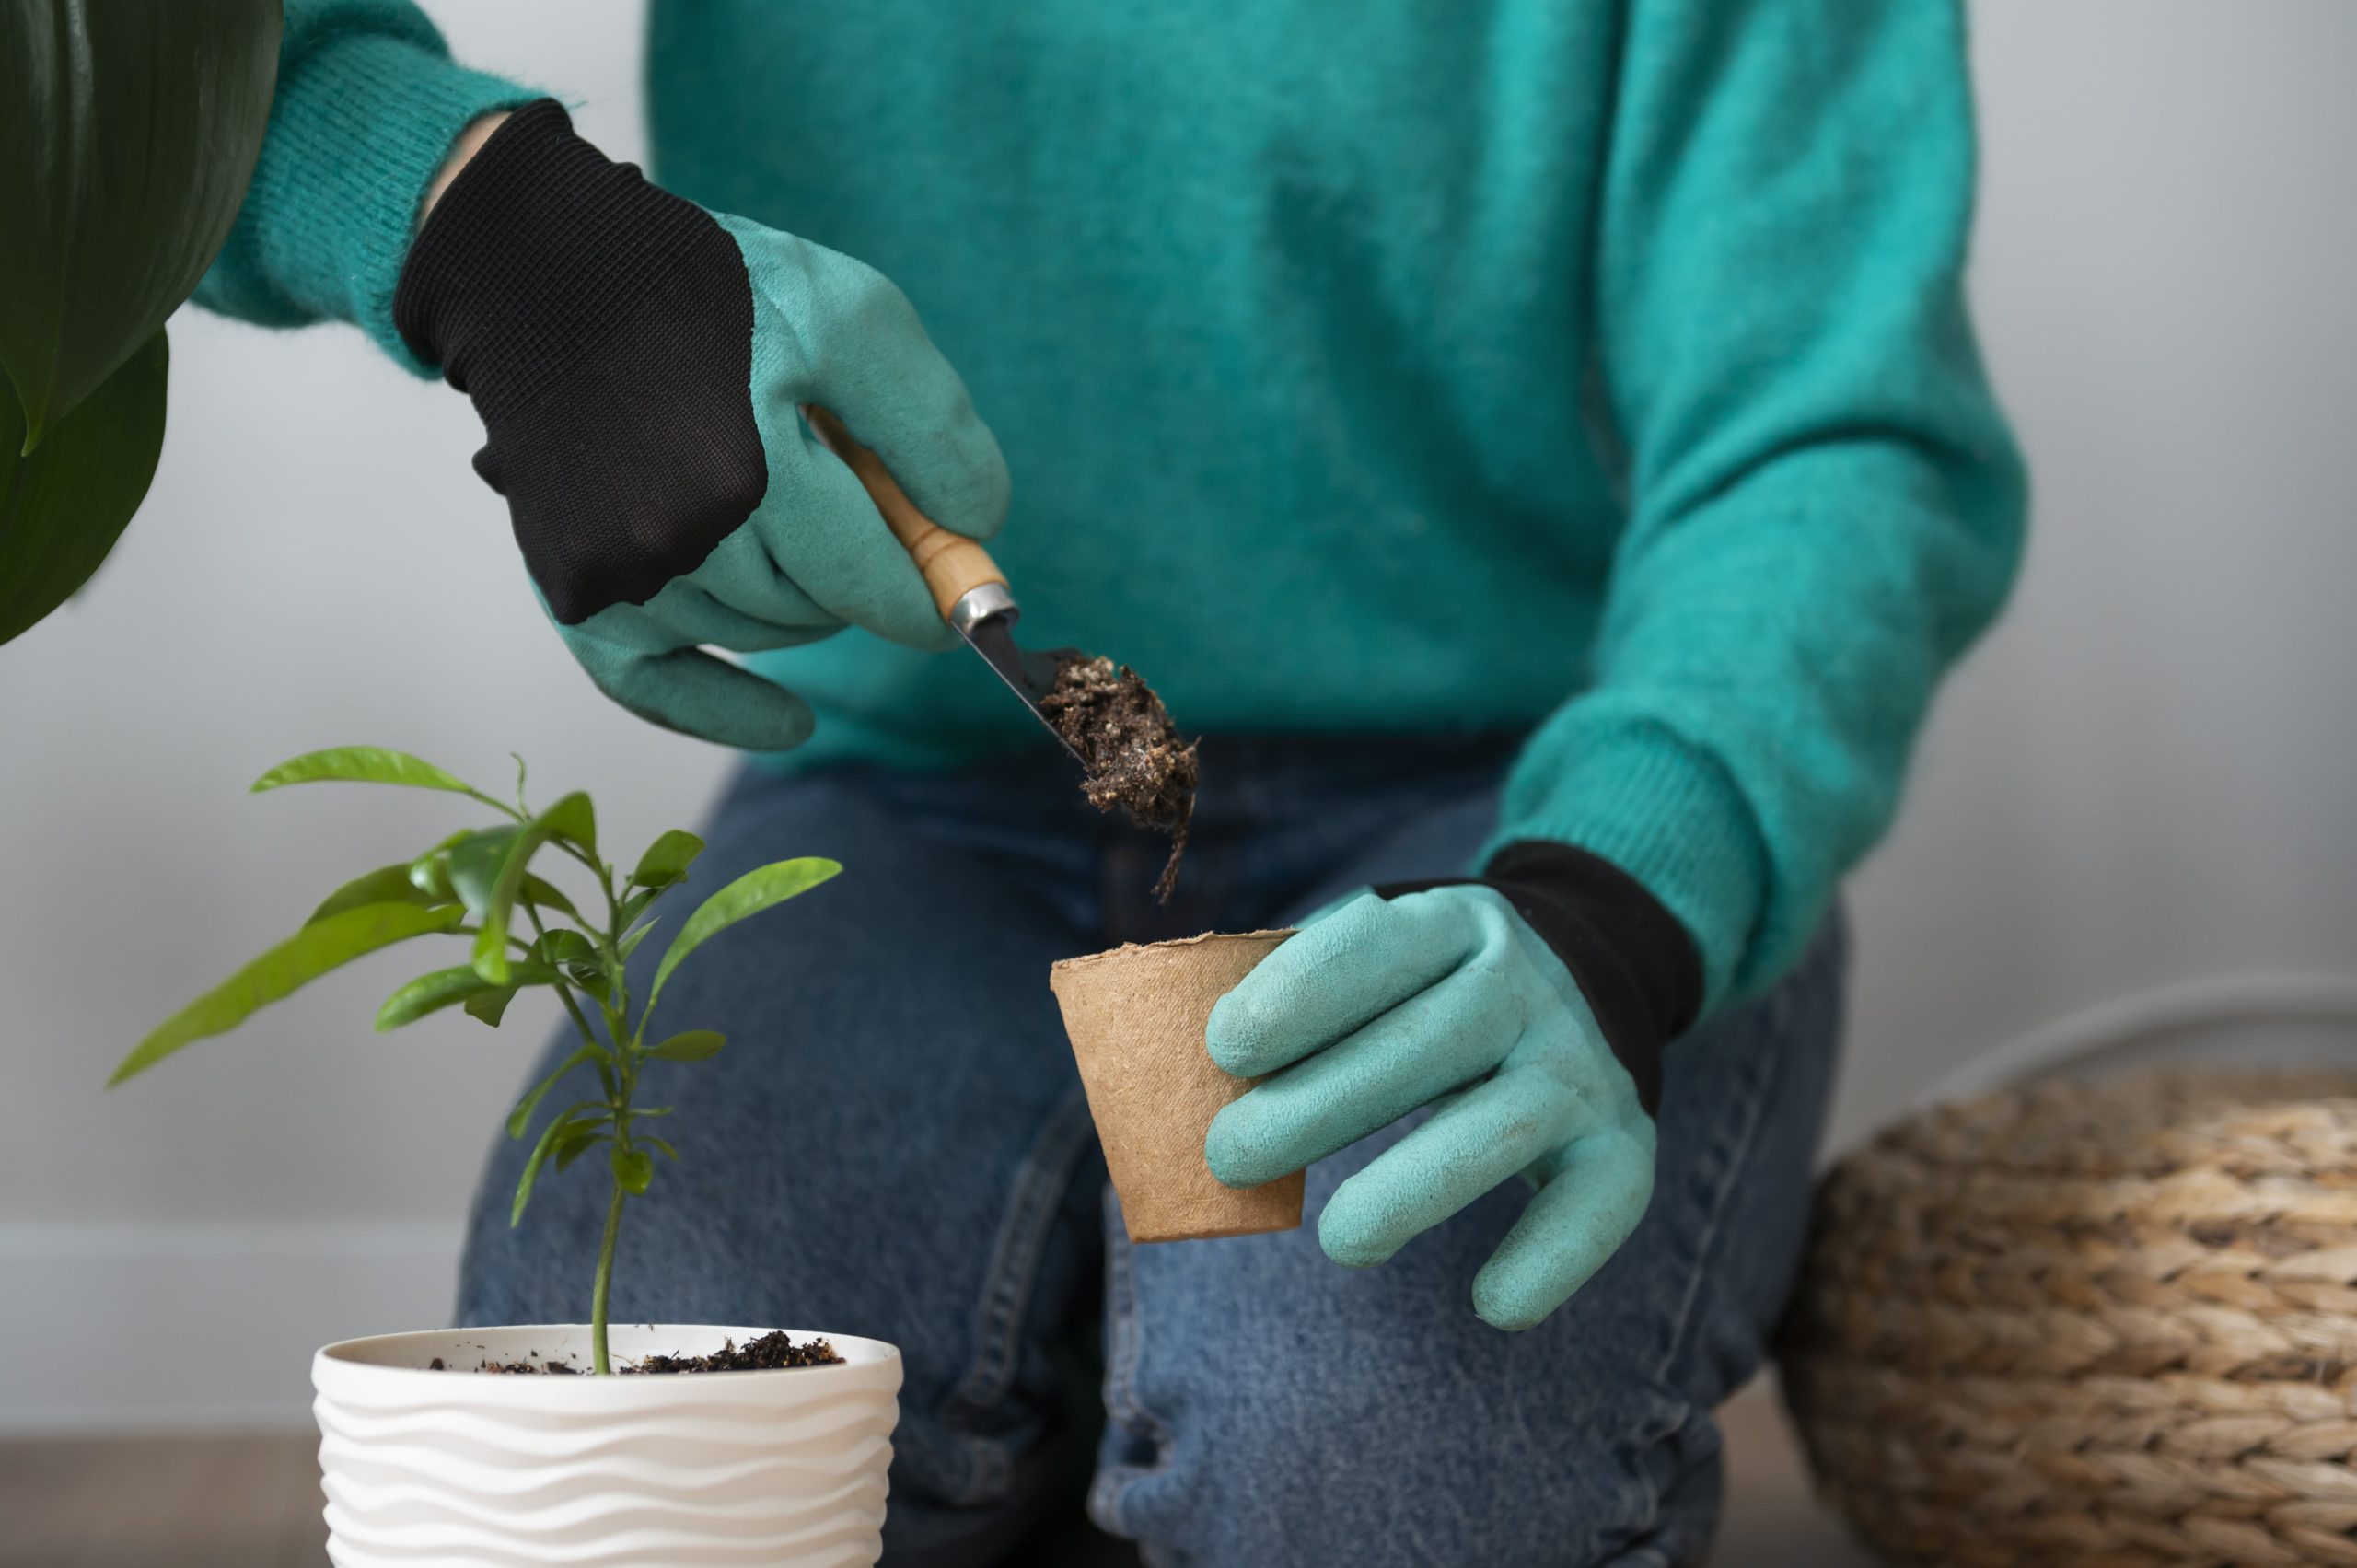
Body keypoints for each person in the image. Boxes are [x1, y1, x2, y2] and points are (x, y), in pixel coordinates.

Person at [198, 3, 2025, 1562]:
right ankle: (1101, 1350)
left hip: (1502, 838)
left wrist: (1620, 898)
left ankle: (1126, 1363)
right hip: (908, 800)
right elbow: (120, 69)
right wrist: (482, 223)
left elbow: (1832, 428)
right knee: (628, 1466)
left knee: (1364, 1447)